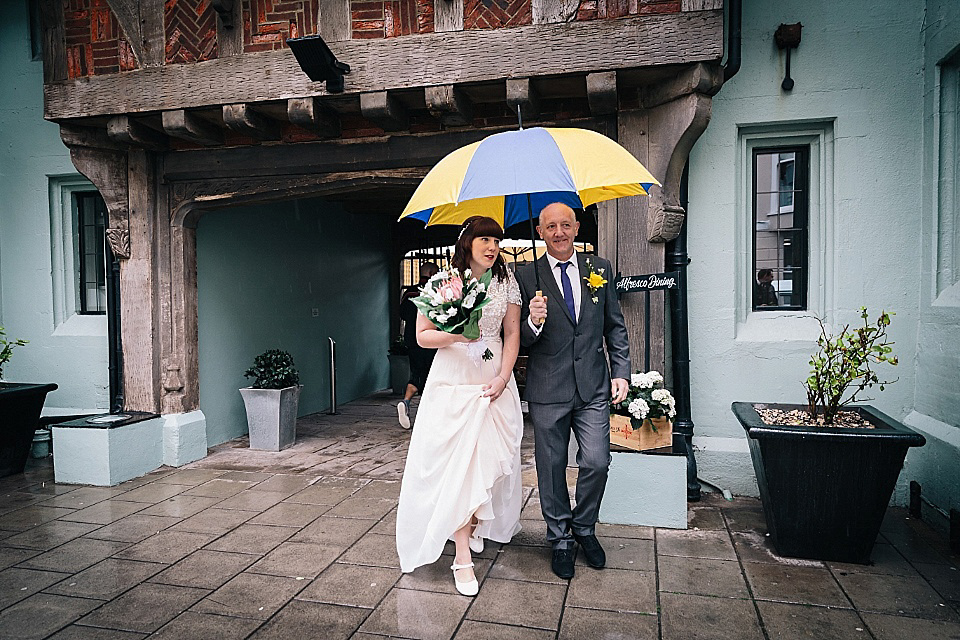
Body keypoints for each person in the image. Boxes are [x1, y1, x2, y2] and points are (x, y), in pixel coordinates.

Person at [396, 215, 524, 596]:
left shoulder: (506, 281)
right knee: (459, 463)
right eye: (484, 239)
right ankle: (462, 556)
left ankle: (473, 522)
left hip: (493, 377)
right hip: (452, 377)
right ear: (467, 243)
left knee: (487, 460)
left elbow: (512, 332)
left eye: (496, 241)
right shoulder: (443, 283)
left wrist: (503, 377)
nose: (492, 246)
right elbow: (421, 337)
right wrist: (457, 333)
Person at [516, 202, 630, 580]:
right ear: (540, 230)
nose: (559, 232)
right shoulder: (524, 275)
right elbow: (517, 340)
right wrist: (532, 321)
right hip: (548, 386)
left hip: (594, 386)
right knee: (550, 468)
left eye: (566, 225)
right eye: (551, 226)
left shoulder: (599, 269)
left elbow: (614, 325)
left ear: (577, 228)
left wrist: (621, 372)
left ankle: (584, 526)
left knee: (597, 461)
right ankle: (560, 536)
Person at [397, 261, 440, 429]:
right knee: (432, 375)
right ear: (430, 274)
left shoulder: (409, 293)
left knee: (416, 372)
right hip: (431, 339)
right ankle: (429, 414)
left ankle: (406, 402)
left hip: (412, 341)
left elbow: (403, 314)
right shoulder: (435, 292)